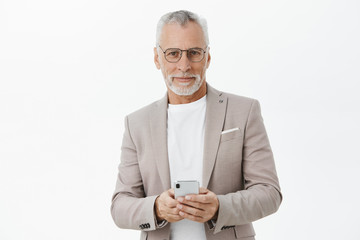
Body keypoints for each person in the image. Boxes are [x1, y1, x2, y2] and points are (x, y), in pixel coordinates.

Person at [111, 10, 282, 240]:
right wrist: (156, 208)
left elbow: (269, 192)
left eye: (194, 53)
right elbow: (120, 206)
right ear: (156, 58)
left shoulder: (244, 111)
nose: (184, 65)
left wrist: (219, 207)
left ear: (208, 57)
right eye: (173, 53)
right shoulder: (137, 123)